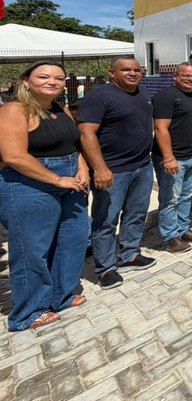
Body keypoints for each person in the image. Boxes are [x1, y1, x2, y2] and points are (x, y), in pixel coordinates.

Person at [0, 61, 90, 331]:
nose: (53, 81)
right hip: (30, 183)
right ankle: (29, 311)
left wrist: (82, 168)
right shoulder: (13, 110)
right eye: (44, 76)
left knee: (72, 239)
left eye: (59, 78)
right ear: (26, 81)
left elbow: (73, 144)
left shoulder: (60, 108)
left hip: (70, 181)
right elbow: (14, 156)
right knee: (32, 250)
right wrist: (57, 179)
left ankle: (62, 295)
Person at [78, 57, 155, 290]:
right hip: (113, 170)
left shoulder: (142, 93)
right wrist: (100, 168)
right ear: (112, 73)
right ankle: (106, 268)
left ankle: (130, 254)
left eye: (136, 70)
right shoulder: (99, 97)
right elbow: (86, 134)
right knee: (106, 220)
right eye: (126, 70)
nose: (133, 73)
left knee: (136, 214)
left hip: (142, 165)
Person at [152, 62, 192, 253]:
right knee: (170, 200)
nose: (191, 79)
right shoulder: (165, 97)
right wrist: (168, 157)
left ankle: (183, 230)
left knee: (186, 197)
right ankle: (171, 237)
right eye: (186, 76)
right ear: (175, 76)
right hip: (174, 158)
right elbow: (160, 128)